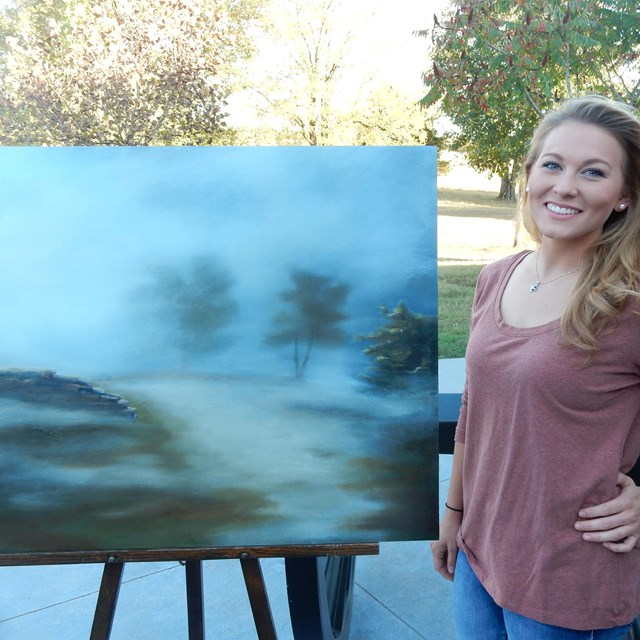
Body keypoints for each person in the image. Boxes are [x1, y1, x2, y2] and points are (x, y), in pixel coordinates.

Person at [432, 94, 640, 639]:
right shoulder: (495, 277)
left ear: (624, 196)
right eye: (553, 164)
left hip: (568, 580)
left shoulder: (629, 303)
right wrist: (454, 510)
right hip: (482, 555)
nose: (566, 185)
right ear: (529, 175)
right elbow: (475, 408)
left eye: (593, 172)